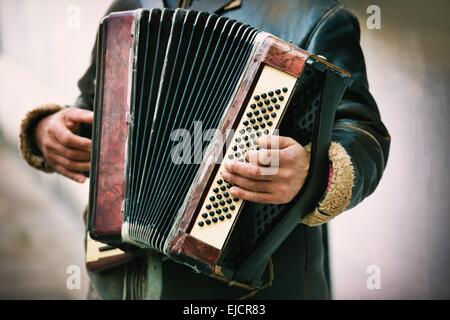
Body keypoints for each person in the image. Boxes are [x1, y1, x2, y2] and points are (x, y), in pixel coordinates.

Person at [19, 0, 390, 299]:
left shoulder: (316, 17)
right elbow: (91, 107)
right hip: (120, 282)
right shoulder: (133, 5)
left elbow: (364, 133)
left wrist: (313, 171)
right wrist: (47, 130)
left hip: (250, 291)